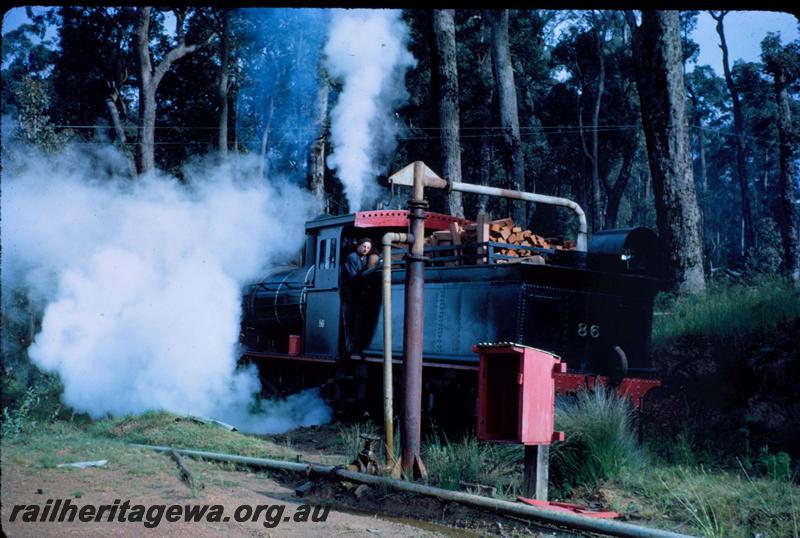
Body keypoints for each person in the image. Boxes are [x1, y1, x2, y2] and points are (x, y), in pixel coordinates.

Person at [341, 238, 380, 356]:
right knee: (351, 321)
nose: (365, 250)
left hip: (360, 295)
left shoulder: (366, 258)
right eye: (364, 246)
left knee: (360, 321)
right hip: (350, 295)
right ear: (358, 245)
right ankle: (350, 348)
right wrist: (373, 270)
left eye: (368, 248)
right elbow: (355, 278)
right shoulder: (351, 257)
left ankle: (358, 346)